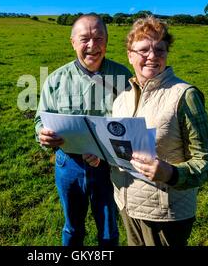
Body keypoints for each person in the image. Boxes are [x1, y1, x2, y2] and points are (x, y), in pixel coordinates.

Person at [111, 16, 208, 246]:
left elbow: (206, 164)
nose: (152, 56)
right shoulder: (121, 100)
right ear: (129, 55)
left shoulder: (184, 95)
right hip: (127, 204)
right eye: (144, 50)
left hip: (166, 214)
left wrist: (170, 173)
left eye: (160, 49)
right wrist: (98, 154)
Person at [34, 14, 133, 246]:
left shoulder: (124, 78)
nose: (92, 45)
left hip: (109, 167)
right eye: (85, 39)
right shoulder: (55, 79)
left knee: (109, 230)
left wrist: (106, 152)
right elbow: (40, 118)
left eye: (99, 38)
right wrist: (42, 133)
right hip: (68, 165)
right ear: (73, 42)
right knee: (72, 227)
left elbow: (131, 126)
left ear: (107, 41)